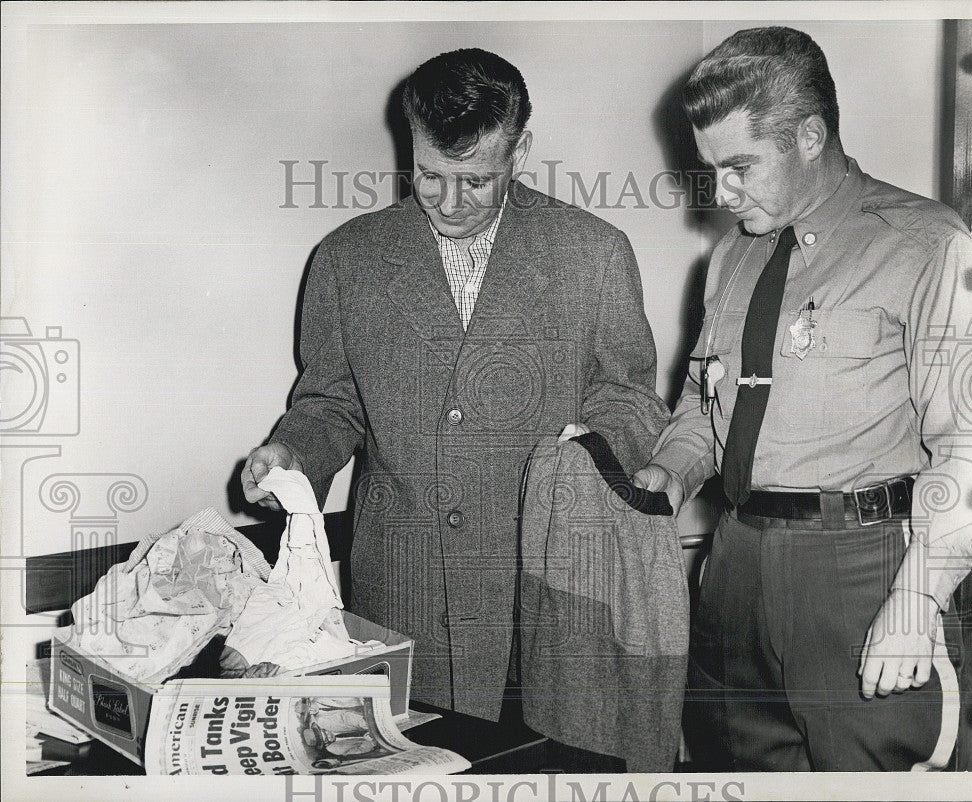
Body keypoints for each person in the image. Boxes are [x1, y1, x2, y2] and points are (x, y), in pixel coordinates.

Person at [242, 48, 667, 745]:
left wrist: (592, 456)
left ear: (520, 149)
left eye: (475, 181)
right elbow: (330, 402)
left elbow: (628, 398)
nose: (448, 201)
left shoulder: (593, 254)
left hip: (541, 594)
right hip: (401, 599)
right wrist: (290, 453)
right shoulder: (347, 258)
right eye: (429, 176)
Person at [633, 26, 972, 771]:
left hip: (863, 569)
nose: (720, 193)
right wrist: (672, 469)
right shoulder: (734, 253)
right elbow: (704, 400)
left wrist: (918, 598)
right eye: (710, 170)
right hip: (735, 565)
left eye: (739, 168)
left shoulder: (927, 245)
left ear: (809, 137)